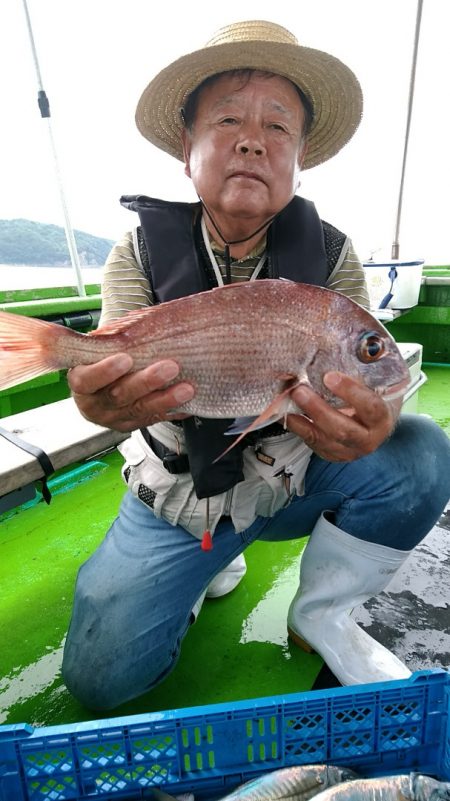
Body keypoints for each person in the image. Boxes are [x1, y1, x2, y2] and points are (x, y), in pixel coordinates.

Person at [62, 20, 450, 710]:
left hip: (292, 477)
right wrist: (96, 397)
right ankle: (201, 566)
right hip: (181, 499)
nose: (251, 139)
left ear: (300, 160)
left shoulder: (331, 255)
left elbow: (373, 377)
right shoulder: (138, 253)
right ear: (188, 150)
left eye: (278, 127)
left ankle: (321, 612)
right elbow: (113, 361)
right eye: (228, 120)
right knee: (100, 678)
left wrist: (377, 421)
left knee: (422, 450)